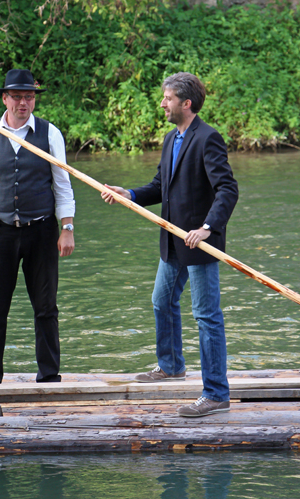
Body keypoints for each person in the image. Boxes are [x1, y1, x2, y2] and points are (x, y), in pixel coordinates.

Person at [101, 72, 239, 417]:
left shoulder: (208, 138)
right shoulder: (170, 139)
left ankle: (216, 394)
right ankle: (172, 364)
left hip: (199, 243)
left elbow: (227, 189)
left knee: (206, 317)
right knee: (161, 301)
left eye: (168, 98)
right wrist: (128, 194)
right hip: (172, 241)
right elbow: (160, 186)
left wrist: (207, 228)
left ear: (186, 103)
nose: (162, 104)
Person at [0, 68, 75, 384]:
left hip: (41, 230)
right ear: (5, 99)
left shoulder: (50, 134)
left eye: (29, 97)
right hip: (0, 231)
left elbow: (63, 184)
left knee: (46, 307)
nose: (24, 103)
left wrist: (67, 228)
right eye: (17, 97)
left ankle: (49, 375)